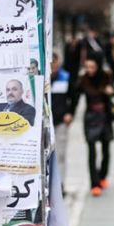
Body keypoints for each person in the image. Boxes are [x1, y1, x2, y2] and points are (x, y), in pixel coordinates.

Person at [74, 56, 114, 197]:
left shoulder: (105, 77)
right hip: (91, 117)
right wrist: (70, 112)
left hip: (105, 116)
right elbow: (75, 96)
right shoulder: (83, 79)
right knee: (91, 150)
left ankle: (102, 176)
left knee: (106, 149)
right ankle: (94, 184)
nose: (89, 70)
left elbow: (113, 91)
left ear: (98, 67)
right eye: (87, 67)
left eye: (92, 67)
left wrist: (111, 91)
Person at [50, 53, 73, 188]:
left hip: (60, 121)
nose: (53, 66)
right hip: (46, 123)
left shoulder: (65, 77)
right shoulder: (42, 78)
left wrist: (70, 112)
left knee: (60, 154)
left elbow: (73, 96)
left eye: (54, 63)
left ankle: (60, 184)